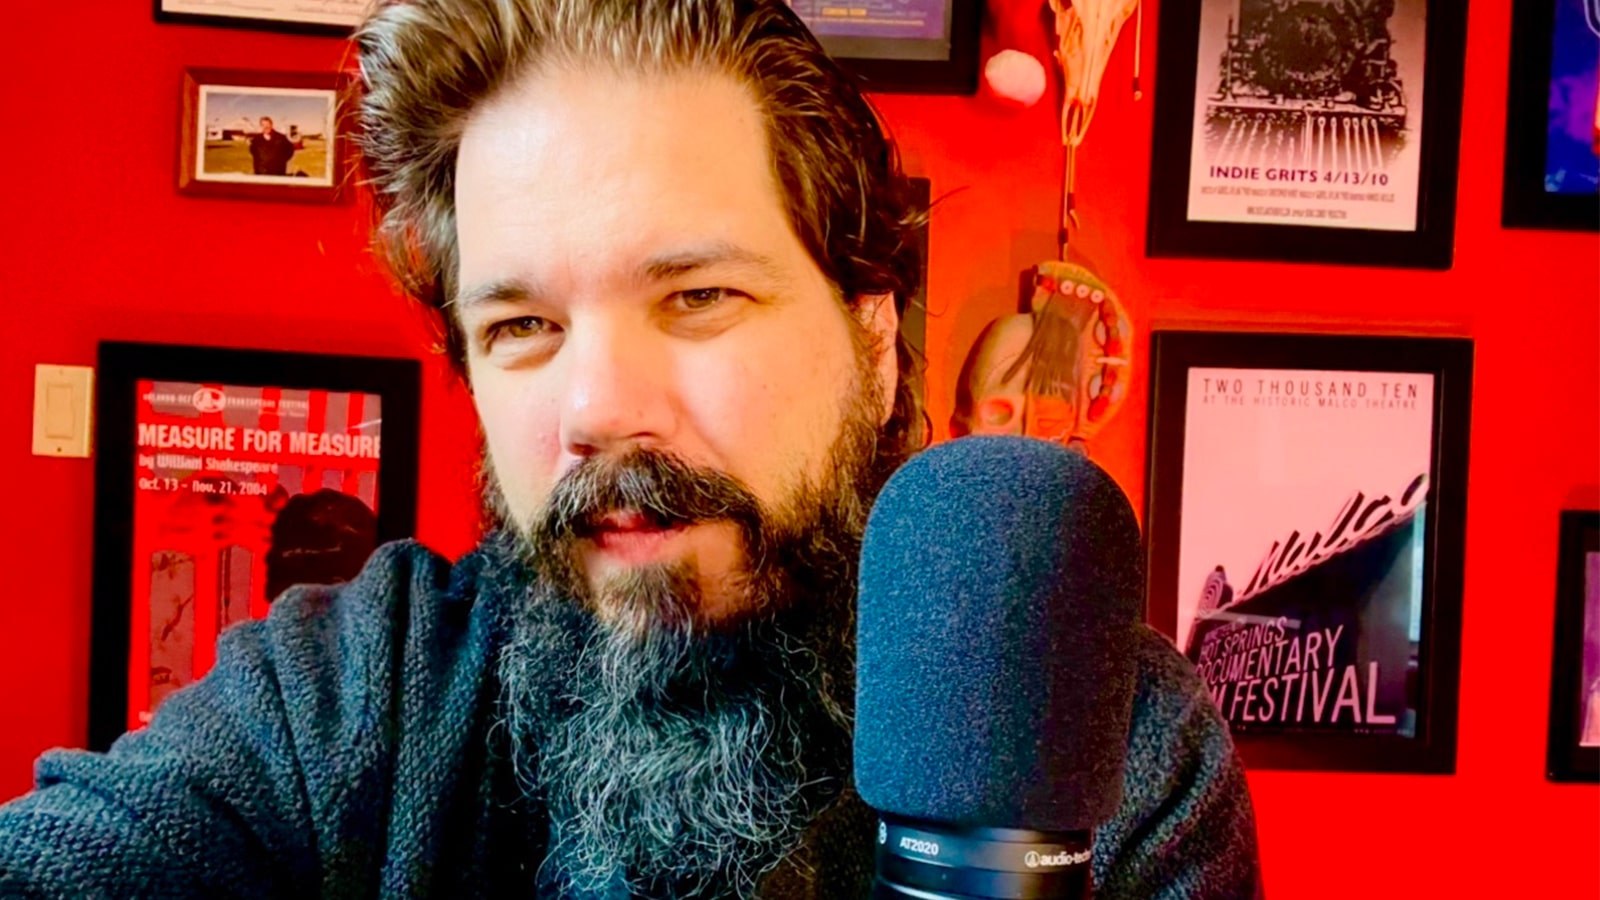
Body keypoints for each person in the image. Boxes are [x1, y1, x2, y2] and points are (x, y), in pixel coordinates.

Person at [0, 1, 1262, 896]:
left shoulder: (1093, 739)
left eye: (698, 296)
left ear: (874, 345)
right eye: (523, 324)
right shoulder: (347, 695)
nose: (597, 406)